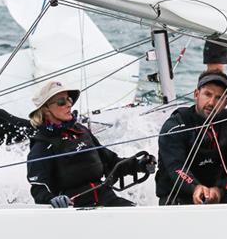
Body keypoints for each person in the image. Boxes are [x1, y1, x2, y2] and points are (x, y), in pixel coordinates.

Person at [26, 81, 155, 208]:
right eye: (61, 102)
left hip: (106, 198)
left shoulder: (81, 131)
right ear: (46, 110)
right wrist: (52, 200)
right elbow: (39, 189)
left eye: (69, 99)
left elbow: (111, 162)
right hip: (76, 210)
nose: (69, 105)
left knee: (145, 220)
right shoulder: (42, 145)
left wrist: (138, 165)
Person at [156, 70, 227, 205]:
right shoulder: (175, 126)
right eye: (207, 94)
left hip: (217, 197)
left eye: (219, 98)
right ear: (196, 94)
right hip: (177, 197)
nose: (212, 102)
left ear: (226, 102)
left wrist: (219, 191)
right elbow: (175, 167)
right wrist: (195, 187)